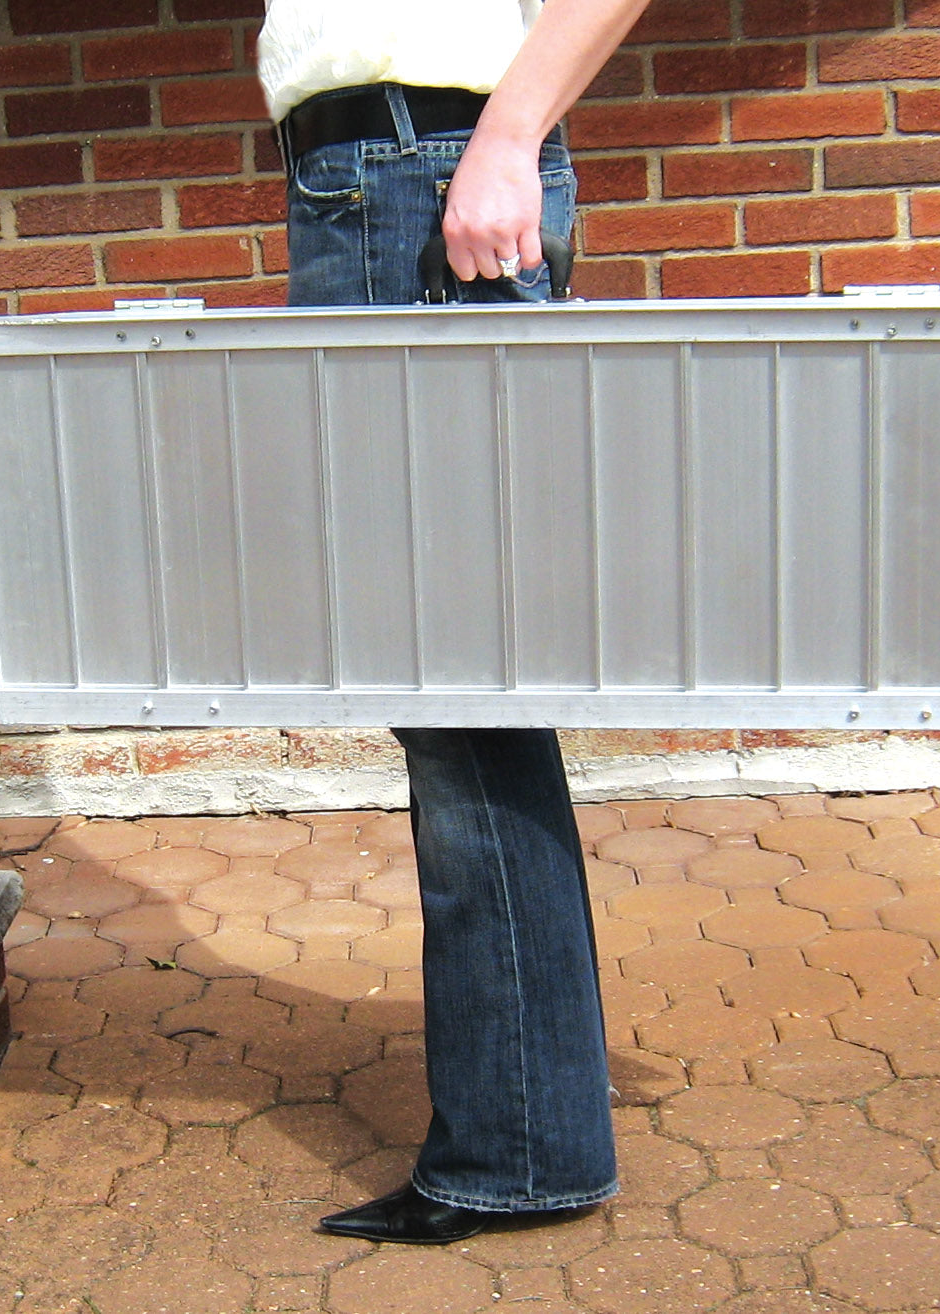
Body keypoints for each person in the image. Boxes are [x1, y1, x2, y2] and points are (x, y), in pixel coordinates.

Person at [255, 0, 652, 1245]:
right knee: (459, 689)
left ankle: (519, 1151)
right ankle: (531, 1130)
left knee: (460, 691)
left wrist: (505, 139)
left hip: (418, 183)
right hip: (380, 183)